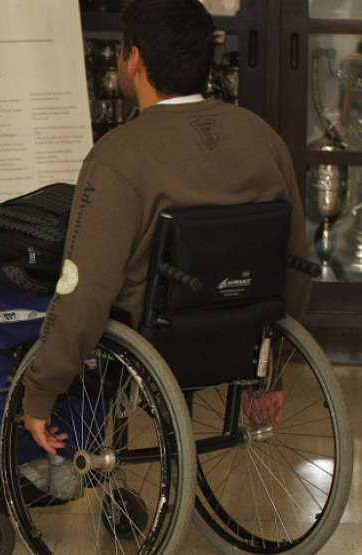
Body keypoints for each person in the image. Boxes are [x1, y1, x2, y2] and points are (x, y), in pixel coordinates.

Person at [23, 0, 312, 460]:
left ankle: (41, 463)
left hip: (154, 343)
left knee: (23, 298)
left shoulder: (118, 155)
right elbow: (296, 262)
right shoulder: (262, 138)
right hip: (243, 337)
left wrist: (41, 390)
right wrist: (267, 368)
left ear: (134, 58)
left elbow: (87, 286)